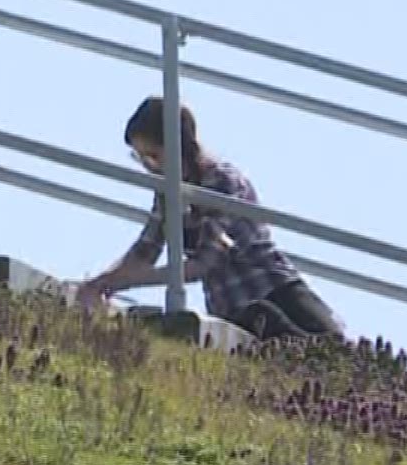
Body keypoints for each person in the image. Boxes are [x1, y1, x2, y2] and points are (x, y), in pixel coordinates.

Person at [76, 96, 344, 342]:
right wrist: (101, 282)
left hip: (277, 294)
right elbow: (145, 250)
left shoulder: (221, 181)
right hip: (235, 311)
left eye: (154, 156)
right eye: (140, 157)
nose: (148, 166)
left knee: (330, 354)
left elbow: (203, 263)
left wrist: (124, 282)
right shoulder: (168, 192)